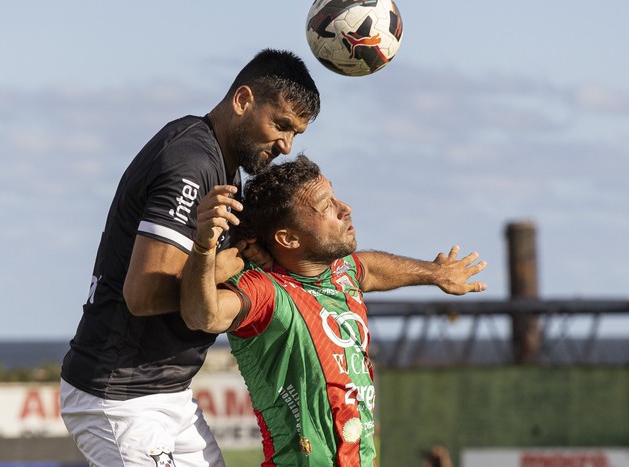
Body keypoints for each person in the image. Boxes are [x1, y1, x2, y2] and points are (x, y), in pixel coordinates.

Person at [59, 49, 321, 467]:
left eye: (296, 134)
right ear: (242, 101)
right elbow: (142, 294)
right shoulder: (190, 162)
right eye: (281, 125)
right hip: (120, 395)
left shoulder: (224, 165)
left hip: (168, 393)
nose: (286, 146)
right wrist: (223, 267)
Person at [180, 155, 487, 466]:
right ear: (288, 238)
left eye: (335, 197)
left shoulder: (342, 272)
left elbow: (371, 268)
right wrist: (204, 246)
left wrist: (435, 273)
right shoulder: (264, 291)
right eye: (326, 206)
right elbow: (203, 315)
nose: (345, 208)